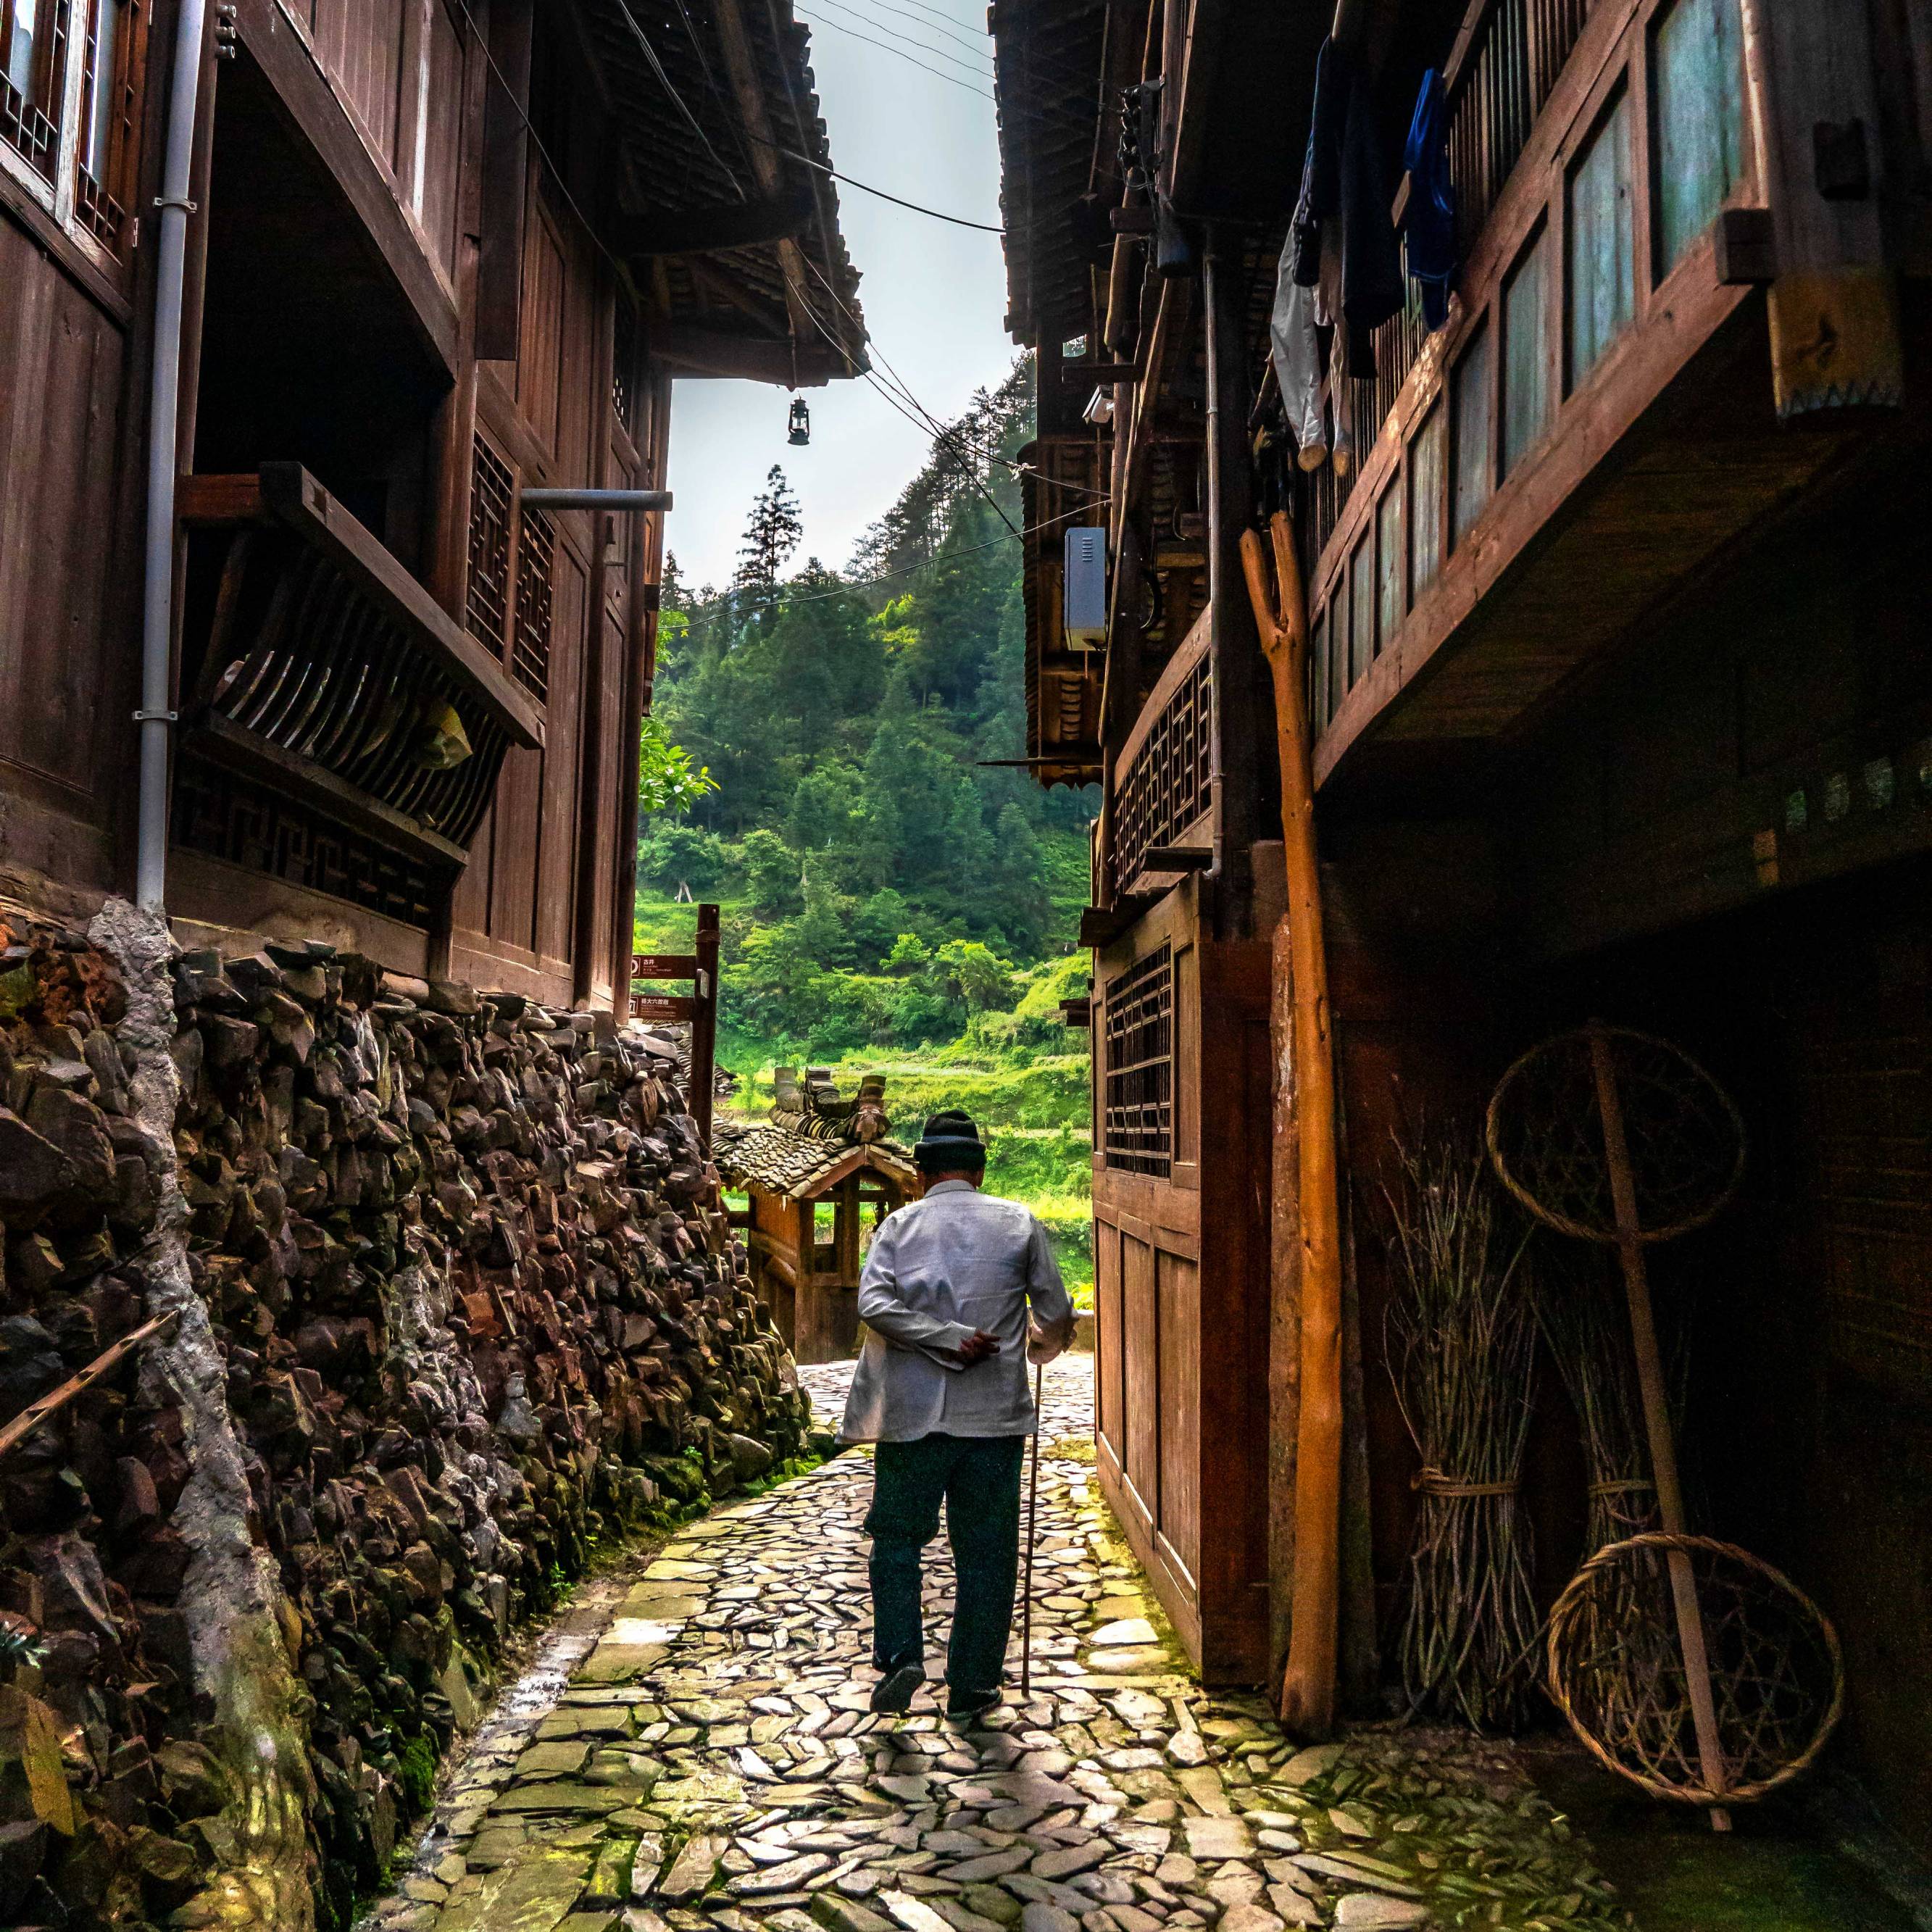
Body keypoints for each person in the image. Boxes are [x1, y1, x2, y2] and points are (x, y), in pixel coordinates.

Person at [839, 1109, 1076, 1722]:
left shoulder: (898, 1226)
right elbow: (1056, 1313)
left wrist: (940, 1335)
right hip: (993, 1420)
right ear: (980, 1169)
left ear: (920, 1174)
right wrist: (1041, 1346)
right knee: (989, 1551)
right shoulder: (1018, 1222)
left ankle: (901, 1657)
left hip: (911, 1418)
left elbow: (874, 1304)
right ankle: (972, 1682)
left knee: (896, 1539)